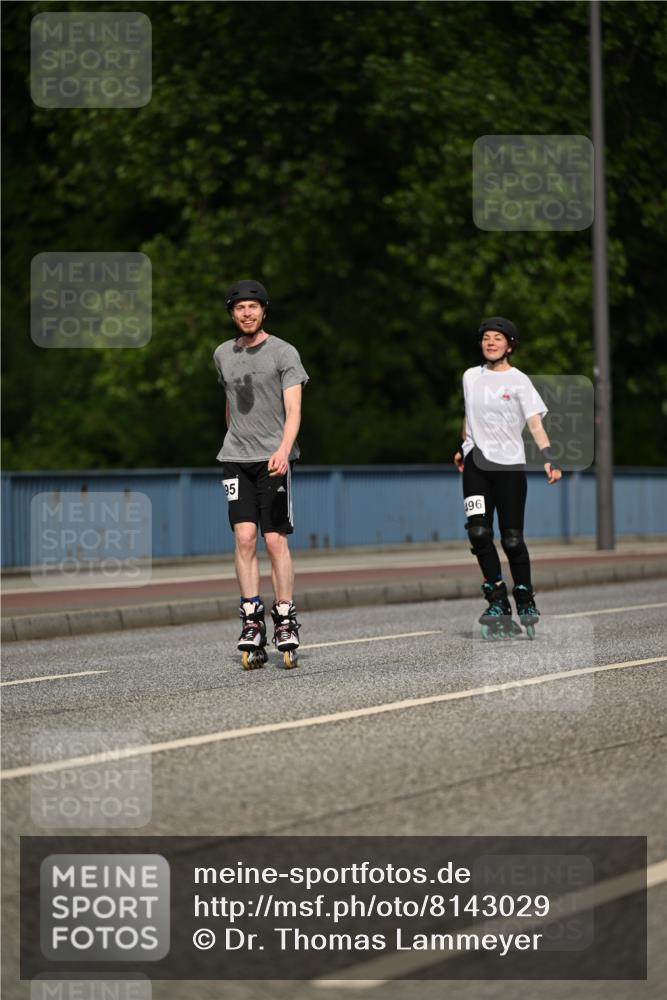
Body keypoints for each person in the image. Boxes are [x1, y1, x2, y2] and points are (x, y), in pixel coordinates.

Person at [213, 279, 309, 667]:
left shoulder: (284, 352)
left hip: (273, 458)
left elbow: (295, 409)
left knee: (273, 540)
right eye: (240, 308)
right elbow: (230, 405)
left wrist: (284, 451)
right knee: (244, 537)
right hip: (235, 457)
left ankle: (285, 616)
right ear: (232, 314)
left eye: (253, 307)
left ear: (264, 311)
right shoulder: (222, 354)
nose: (247, 313)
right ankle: (251, 619)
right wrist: (229, 440)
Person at [453, 316, 562, 638]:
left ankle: (525, 597)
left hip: (509, 467)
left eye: (497, 338)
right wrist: (462, 446)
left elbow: (535, 424)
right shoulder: (470, 376)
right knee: (478, 532)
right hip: (476, 463)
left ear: (509, 345)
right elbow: (469, 414)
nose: (490, 342)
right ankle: (497, 597)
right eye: (486, 337)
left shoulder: (519, 381)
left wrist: (549, 457)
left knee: (512, 539)